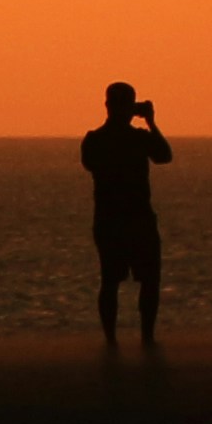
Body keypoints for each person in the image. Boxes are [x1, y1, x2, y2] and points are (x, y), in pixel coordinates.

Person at [80, 82, 172, 344]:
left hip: (119, 220)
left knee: (119, 281)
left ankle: (127, 339)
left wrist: (151, 124)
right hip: (126, 220)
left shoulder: (99, 140)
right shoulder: (119, 140)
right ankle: (141, 339)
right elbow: (164, 155)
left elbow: (164, 156)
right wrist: (151, 124)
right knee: (127, 281)